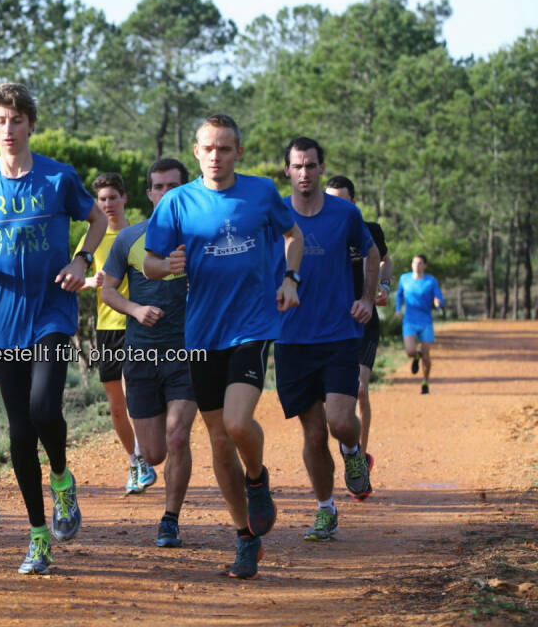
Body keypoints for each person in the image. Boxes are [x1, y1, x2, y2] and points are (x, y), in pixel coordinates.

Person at [0, 82, 107, 575]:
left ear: (30, 124)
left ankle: (61, 478)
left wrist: (82, 260)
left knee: (43, 407)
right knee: (19, 429)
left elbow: (97, 219)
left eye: (17, 120)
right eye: (0, 120)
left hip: (52, 312)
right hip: (1, 319)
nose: (9, 129)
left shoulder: (58, 178)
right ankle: (38, 536)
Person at [144, 114, 303, 580]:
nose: (216, 157)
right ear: (196, 152)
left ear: (238, 152)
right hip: (202, 332)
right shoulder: (176, 202)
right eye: (209, 148)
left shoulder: (260, 193)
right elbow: (151, 263)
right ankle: (245, 537)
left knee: (236, 422)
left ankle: (257, 478)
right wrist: (166, 265)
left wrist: (291, 278)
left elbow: (293, 235)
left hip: (252, 325)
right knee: (216, 439)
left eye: (225, 149)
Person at [275, 137, 379, 546]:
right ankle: (325, 510)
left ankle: (353, 452)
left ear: (321, 168)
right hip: (291, 336)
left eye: (311, 165)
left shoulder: (345, 213)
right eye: (297, 166)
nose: (304, 173)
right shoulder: (275, 213)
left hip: (339, 332)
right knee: (314, 435)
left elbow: (371, 255)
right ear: (287, 170)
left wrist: (367, 299)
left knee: (339, 421)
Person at [101, 158, 194, 548]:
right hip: (140, 355)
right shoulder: (129, 239)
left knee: (177, 437)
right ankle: (155, 479)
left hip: (187, 355)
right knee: (154, 453)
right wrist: (136, 309)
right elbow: (107, 291)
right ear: (149, 193)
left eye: (173, 186)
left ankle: (170, 519)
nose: (164, 194)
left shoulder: (199, 238)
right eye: (158, 187)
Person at [77, 172, 156, 494]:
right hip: (105, 327)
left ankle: (146, 458)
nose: (107, 204)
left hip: (136, 324)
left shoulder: (141, 233)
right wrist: (88, 282)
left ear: (124, 199)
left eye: (113, 197)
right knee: (115, 405)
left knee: (131, 393)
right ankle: (134, 460)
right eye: (102, 199)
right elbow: (72, 279)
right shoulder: (91, 239)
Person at [325, 176, 392, 454]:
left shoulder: (370, 230)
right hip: (330, 323)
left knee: (361, 390)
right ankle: (343, 444)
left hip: (364, 320)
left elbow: (386, 259)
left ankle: (360, 457)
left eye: (342, 201)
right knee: (332, 401)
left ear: (353, 202)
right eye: (331, 201)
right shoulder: (319, 234)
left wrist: (385, 286)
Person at [395, 254, 444, 394]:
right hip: (409, 320)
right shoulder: (404, 278)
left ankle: (425, 382)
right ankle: (416, 357)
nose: (416, 265)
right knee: (410, 351)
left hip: (426, 322)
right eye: (414, 263)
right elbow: (399, 294)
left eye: (420, 263)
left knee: (426, 355)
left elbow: (439, 296)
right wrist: (398, 309)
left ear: (425, 265)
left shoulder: (431, 281)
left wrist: (437, 302)